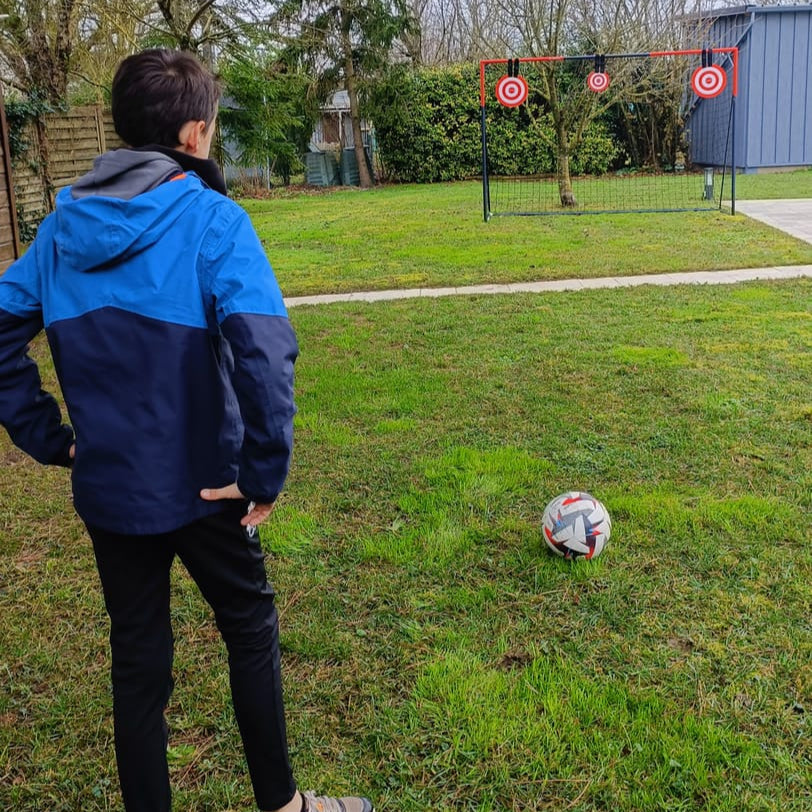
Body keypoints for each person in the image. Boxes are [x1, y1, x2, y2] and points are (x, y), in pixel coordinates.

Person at [0, 49, 373, 812]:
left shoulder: (59, 231)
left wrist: (53, 439)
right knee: (248, 626)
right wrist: (263, 471)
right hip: (211, 484)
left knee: (139, 662)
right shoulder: (212, 219)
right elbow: (265, 349)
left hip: (112, 489)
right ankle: (284, 805)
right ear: (197, 134)